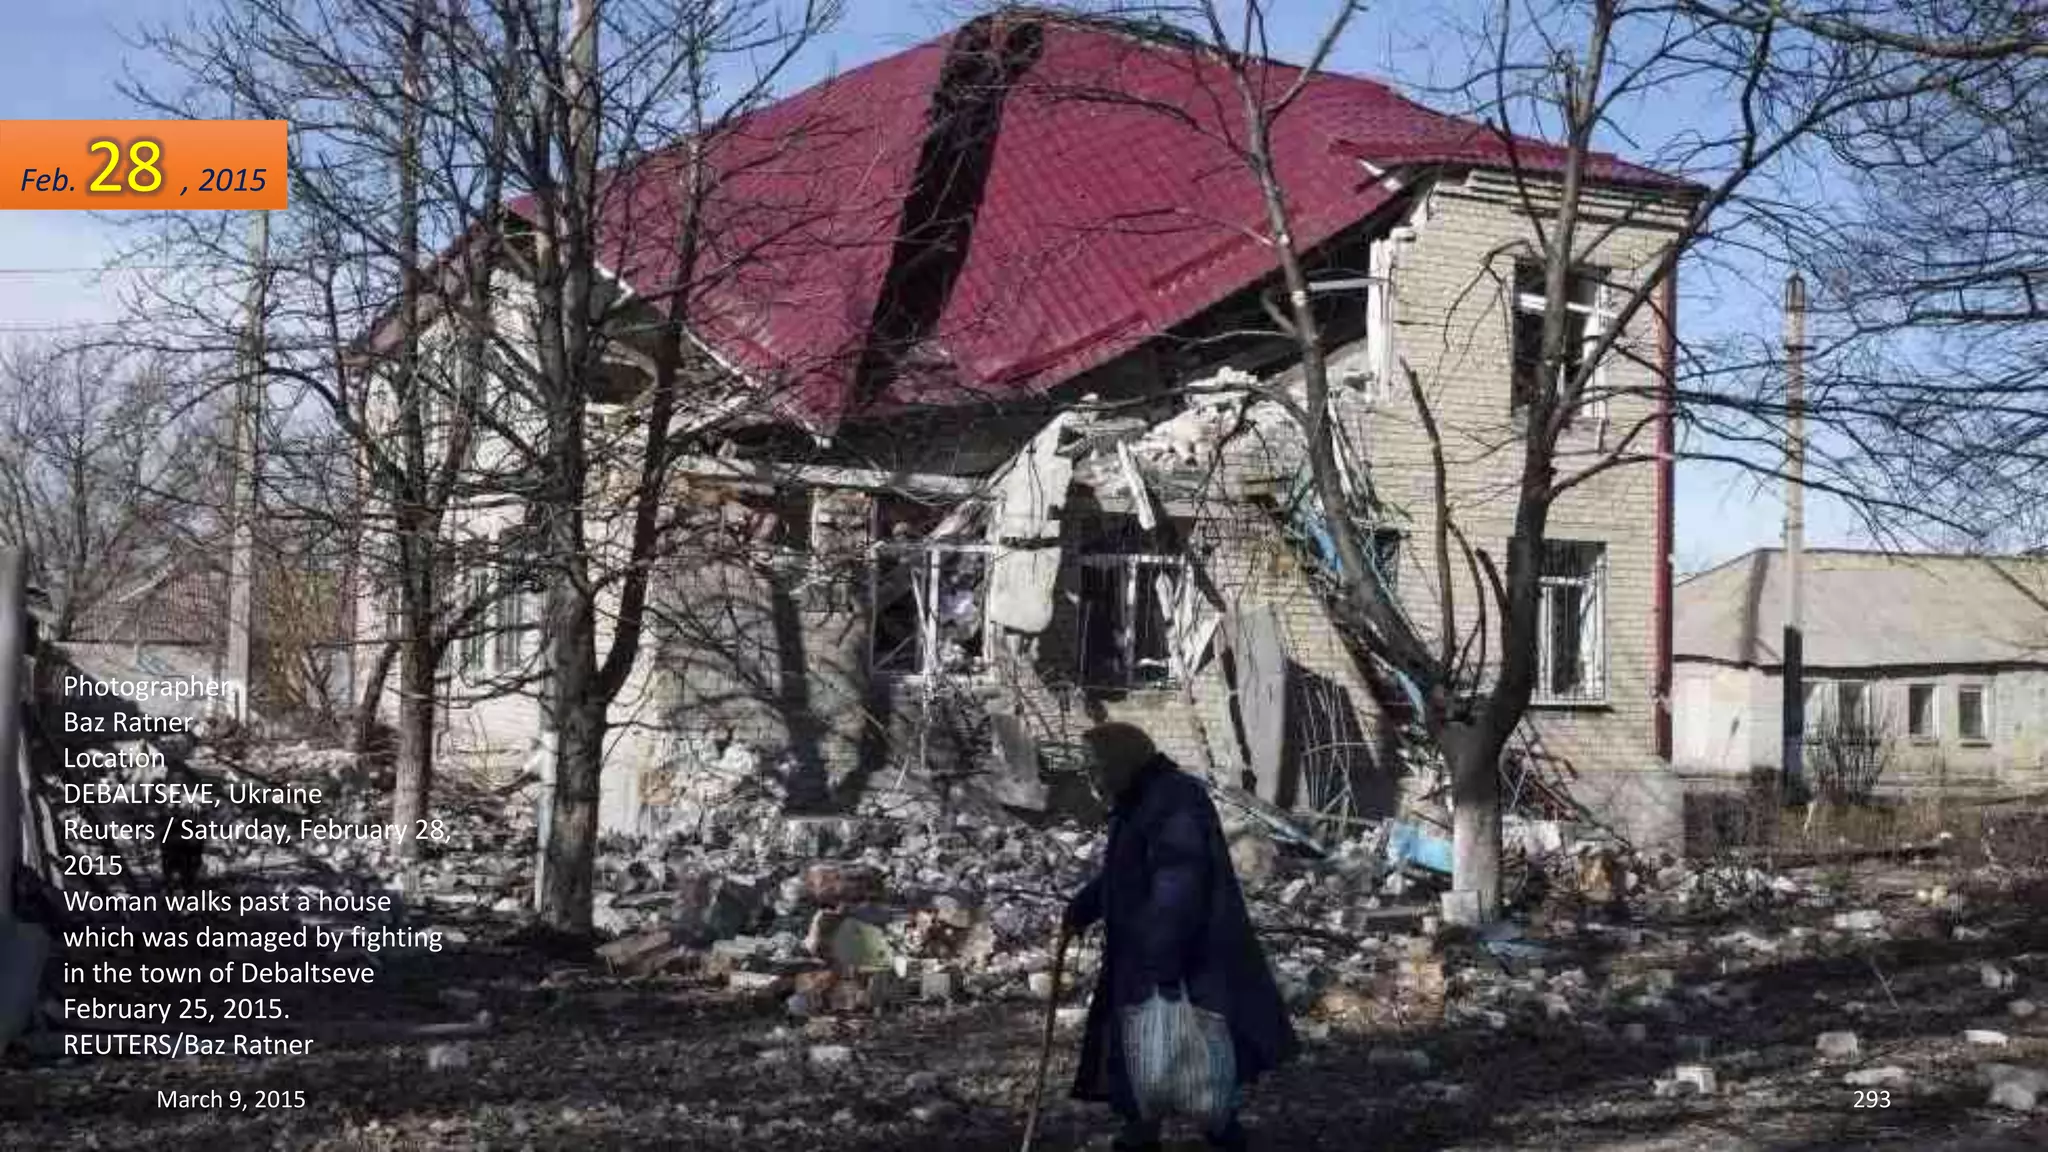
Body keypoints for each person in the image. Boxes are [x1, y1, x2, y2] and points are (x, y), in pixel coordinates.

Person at [1062, 722, 1296, 1152]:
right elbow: (1126, 871)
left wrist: (1161, 957)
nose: (1089, 775)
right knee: (1141, 1039)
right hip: (1149, 947)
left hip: (1186, 952)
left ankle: (1219, 1130)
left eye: (1095, 765)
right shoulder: (1139, 798)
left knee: (1196, 1039)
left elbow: (1180, 883)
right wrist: (1084, 906)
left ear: (1120, 761)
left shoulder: (1173, 801)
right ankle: (1144, 1130)